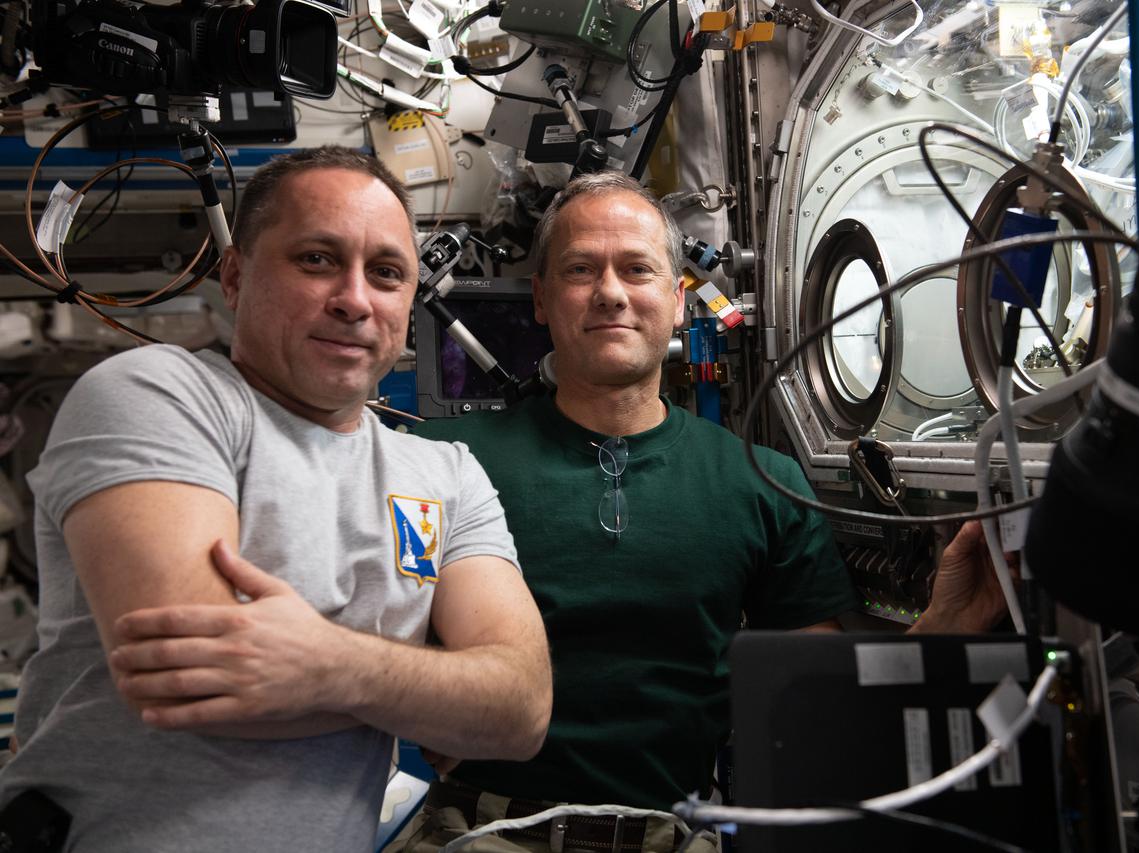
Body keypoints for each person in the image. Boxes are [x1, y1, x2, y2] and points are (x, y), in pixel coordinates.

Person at [400, 172, 1010, 853]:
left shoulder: (759, 483)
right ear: (540, 297)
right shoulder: (442, 462)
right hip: (484, 831)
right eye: (580, 269)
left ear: (678, 297)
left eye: (637, 268)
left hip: (671, 838)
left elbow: (821, 709)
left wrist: (946, 624)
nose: (610, 292)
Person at [0, 146, 552, 853]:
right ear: (234, 275)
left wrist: (328, 663)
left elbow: (520, 710)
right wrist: (424, 692)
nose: (354, 298)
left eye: (386, 272)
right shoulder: (158, 393)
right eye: (317, 259)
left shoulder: (446, 474)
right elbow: (189, 676)